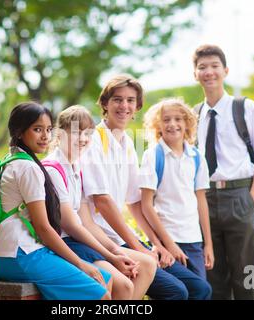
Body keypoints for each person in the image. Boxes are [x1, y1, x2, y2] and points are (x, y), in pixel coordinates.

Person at [81, 74, 212, 300]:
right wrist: (140, 248)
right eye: (117, 100)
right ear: (105, 103)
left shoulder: (129, 144)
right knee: (176, 292)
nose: (124, 106)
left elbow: (135, 203)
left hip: (124, 238)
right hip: (100, 239)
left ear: (137, 106)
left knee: (199, 289)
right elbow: (103, 202)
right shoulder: (93, 140)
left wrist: (156, 244)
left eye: (130, 100)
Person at [0, 101, 112, 300]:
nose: (45, 136)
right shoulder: (28, 168)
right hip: (23, 255)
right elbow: (43, 228)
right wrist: (80, 264)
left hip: (9, 255)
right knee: (102, 296)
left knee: (106, 279)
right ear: (19, 132)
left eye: (48, 129)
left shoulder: (12, 160)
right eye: (37, 129)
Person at [193, 44, 254, 299]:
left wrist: (250, 201)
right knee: (213, 276)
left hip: (239, 196)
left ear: (225, 70)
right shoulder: (193, 115)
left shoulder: (245, 107)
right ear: (195, 74)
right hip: (205, 201)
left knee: (248, 274)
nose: (209, 72)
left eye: (214, 66)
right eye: (202, 67)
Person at [44, 105, 145, 300]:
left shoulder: (76, 167)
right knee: (122, 284)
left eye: (87, 133)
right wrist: (111, 256)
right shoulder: (52, 169)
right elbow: (72, 226)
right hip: (64, 243)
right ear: (59, 134)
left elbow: (86, 222)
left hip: (78, 241)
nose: (83, 139)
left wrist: (115, 251)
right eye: (76, 133)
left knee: (131, 278)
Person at [140, 97, 214, 282]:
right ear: (158, 125)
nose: (172, 124)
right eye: (166, 120)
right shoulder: (153, 156)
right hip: (167, 239)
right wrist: (168, 244)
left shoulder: (197, 157)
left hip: (194, 240)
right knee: (183, 292)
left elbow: (201, 201)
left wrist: (208, 244)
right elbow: (146, 205)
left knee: (201, 292)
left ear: (187, 123)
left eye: (178, 119)